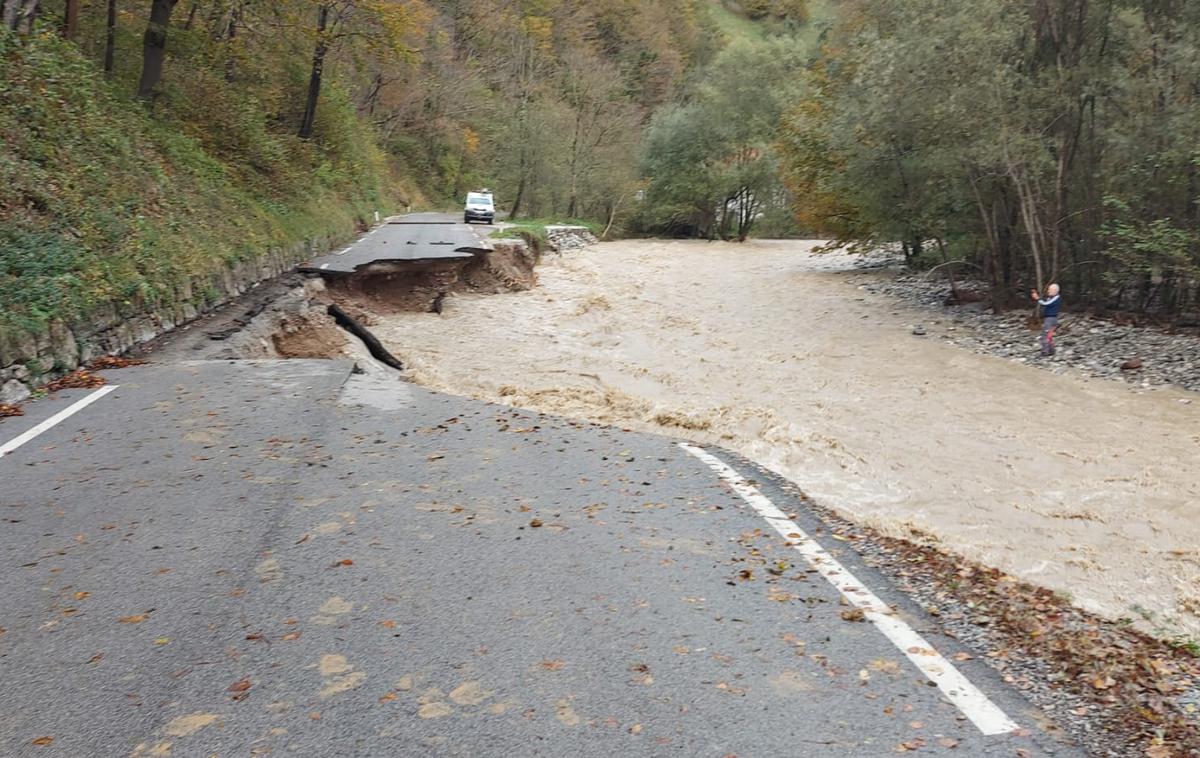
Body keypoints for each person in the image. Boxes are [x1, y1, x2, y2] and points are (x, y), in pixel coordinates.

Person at [1031, 283, 1062, 356]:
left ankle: (1045, 352)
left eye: (1049, 290)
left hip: (1051, 319)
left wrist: (1038, 298)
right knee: (1049, 335)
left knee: (1044, 335)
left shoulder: (1056, 298)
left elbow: (1046, 303)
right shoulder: (1051, 297)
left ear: (1055, 290)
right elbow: (1046, 302)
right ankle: (1051, 350)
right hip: (1050, 318)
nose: (1048, 291)